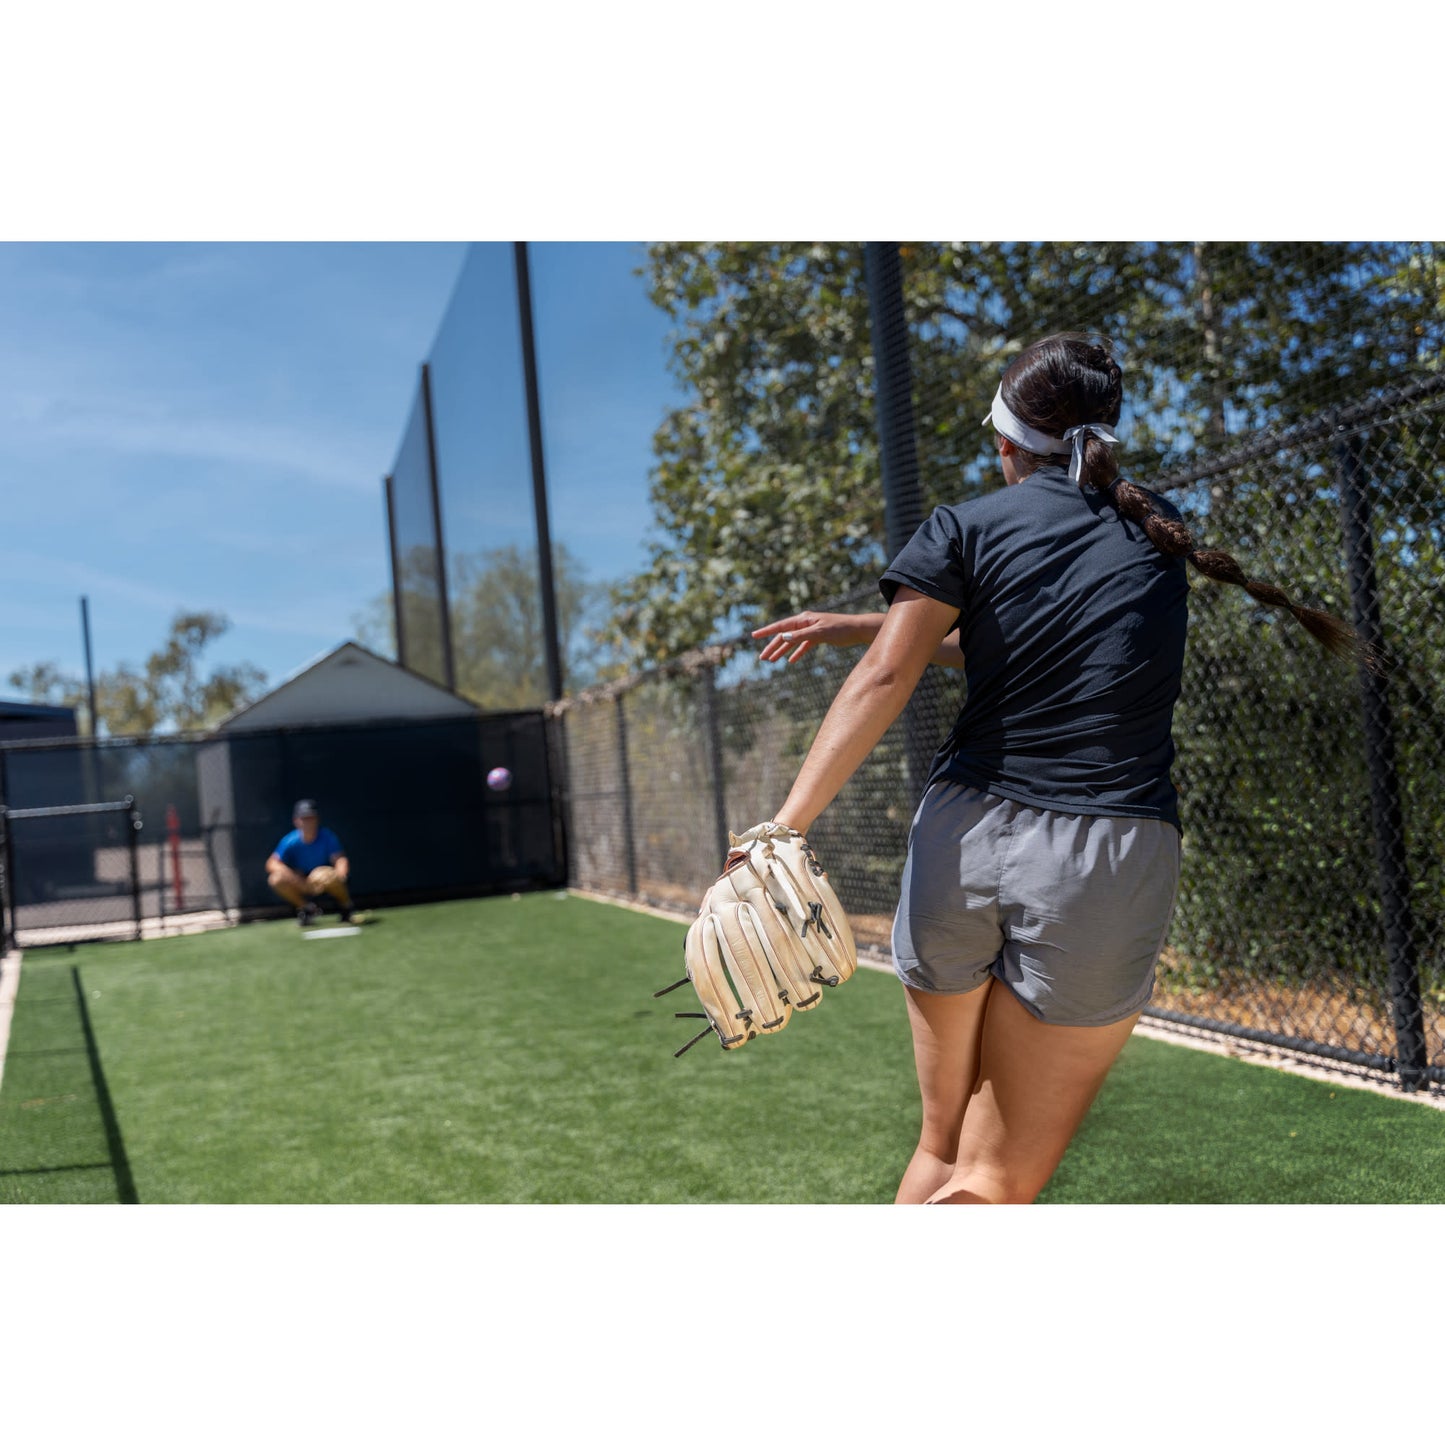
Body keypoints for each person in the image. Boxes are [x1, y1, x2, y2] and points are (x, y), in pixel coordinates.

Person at [748, 332, 1358, 1204]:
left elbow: (899, 669)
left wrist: (785, 826)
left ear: (1005, 443)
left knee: (943, 1146)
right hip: (1100, 858)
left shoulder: (964, 525)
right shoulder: (1156, 538)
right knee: (995, 1179)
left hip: (959, 842)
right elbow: (1032, 645)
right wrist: (867, 623)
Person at [266, 799, 355, 926]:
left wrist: (340, 876)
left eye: (311, 818)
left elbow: (340, 859)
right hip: (302, 881)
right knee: (275, 879)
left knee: (325, 875)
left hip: (325, 881)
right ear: (296, 821)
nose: (308, 822)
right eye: (304, 818)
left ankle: (346, 906)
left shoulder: (327, 836)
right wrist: (293, 877)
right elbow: (272, 863)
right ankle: (308, 909)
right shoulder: (290, 840)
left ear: (317, 819)